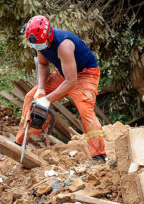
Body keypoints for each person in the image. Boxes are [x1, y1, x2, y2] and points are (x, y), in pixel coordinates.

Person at [15, 16, 107, 162]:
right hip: (63, 72)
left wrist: (47, 100)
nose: (37, 47)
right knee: (30, 97)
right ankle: (20, 143)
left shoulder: (64, 45)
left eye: (39, 44)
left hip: (85, 74)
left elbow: (71, 82)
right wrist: (41, 88)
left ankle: (99, 155)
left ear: (48, 36)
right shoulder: (41, 43)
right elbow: (43, 64)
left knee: (85, 111)